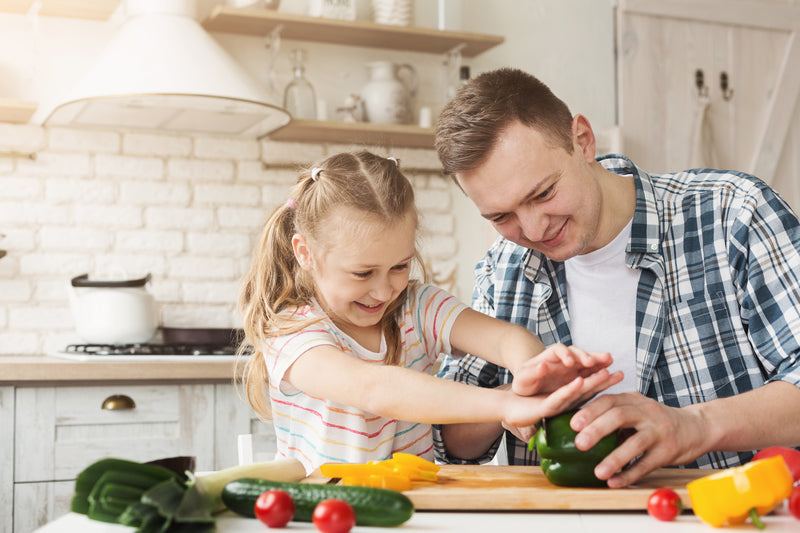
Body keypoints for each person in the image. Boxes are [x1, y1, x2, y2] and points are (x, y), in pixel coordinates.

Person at [432, 67, 800, 488]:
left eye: (543, 193)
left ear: (582, 141)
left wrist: (696, 426)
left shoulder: (733, 213)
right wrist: (508, 403)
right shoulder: (503, 269)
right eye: (501, 216)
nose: (532, 231)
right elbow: (451, 439)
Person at [236, 150, 621, 474]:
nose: (384, 290)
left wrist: (533, 374)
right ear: (306, 254)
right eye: (363, 272)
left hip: (415, 512)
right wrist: (506, 403)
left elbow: (508, 339)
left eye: (399, 266)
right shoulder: (292, 331)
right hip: (323, 516)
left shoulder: (417, 307)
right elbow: (375, 389)